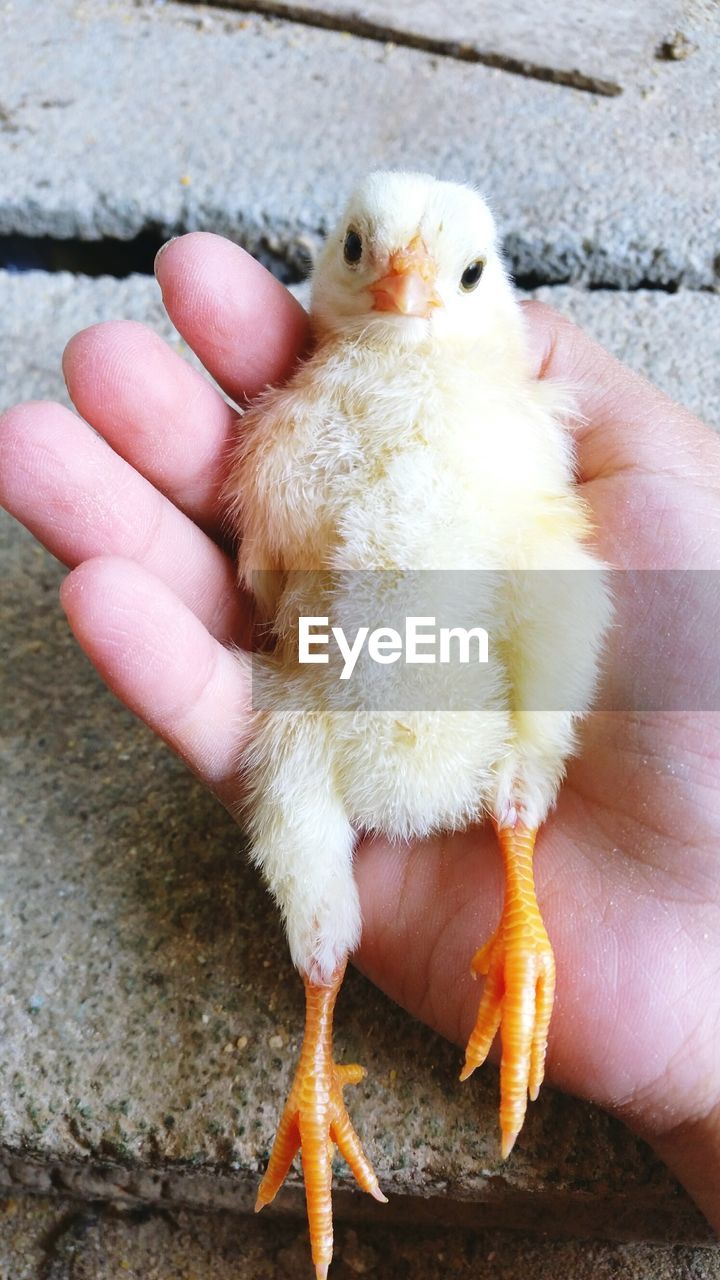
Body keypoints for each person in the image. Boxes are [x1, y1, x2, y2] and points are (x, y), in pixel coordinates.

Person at [1, 232, 718, 1231]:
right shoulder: (298, 428)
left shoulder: (507, 424)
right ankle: (315, 1054)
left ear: (491, 288)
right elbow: (271, 579)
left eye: (454, 273)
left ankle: (522, 908)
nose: (406, 284)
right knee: (292, 752)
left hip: (469, 723)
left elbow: (551, 608)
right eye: (367, 251)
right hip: (328, 717)